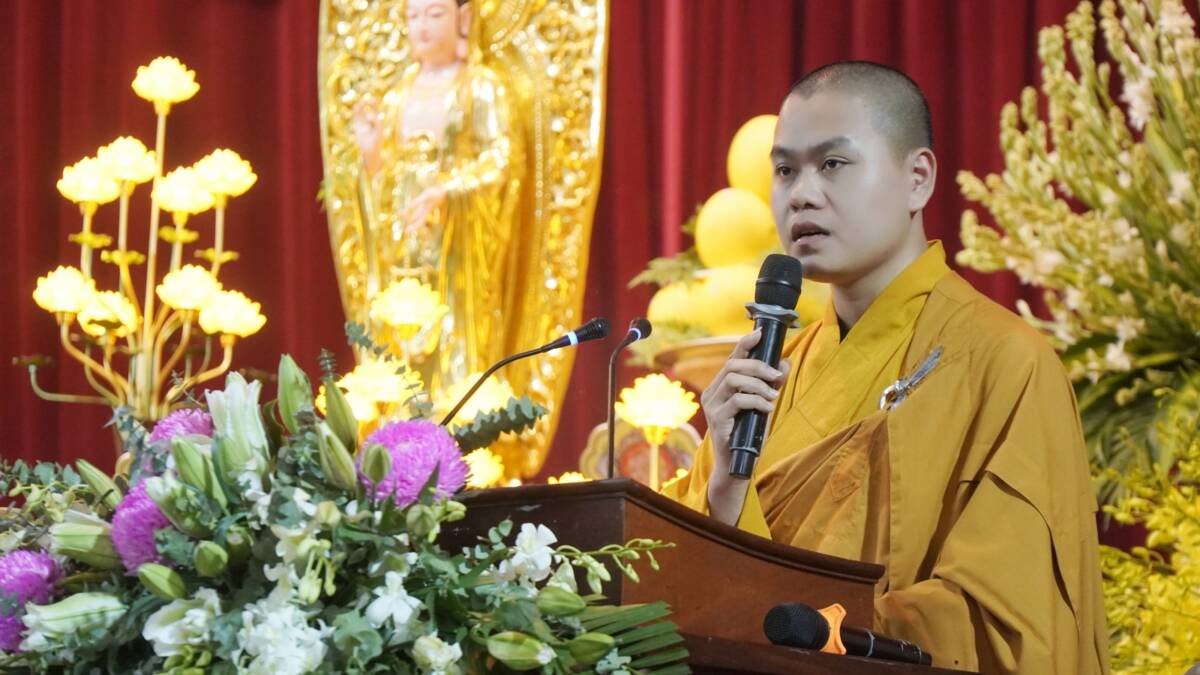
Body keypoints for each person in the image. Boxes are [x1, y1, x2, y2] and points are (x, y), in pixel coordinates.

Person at [662, 61, 1108, 673]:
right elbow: (677, 586)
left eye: (832, 164)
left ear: (917, 179)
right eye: (785, 170)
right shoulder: (767, 374)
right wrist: (725, 487)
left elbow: (1005, 618)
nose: (802, 194)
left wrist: (828, 627)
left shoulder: (1007, 362)